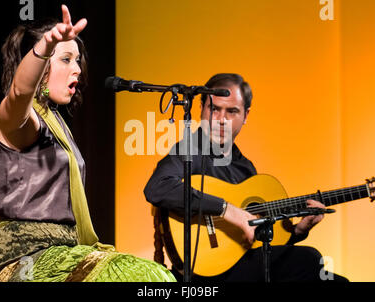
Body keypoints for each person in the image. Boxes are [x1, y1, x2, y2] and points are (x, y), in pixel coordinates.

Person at [0, 5, 175, 282]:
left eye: (78, 60)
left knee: (152, 275)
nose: (77, 69)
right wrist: (46, 45)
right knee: (142, 276)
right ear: (41, 65)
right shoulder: (23, 119)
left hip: (65, 251)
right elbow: (20, 92)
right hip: (23, 258)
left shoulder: (56, 122)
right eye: (66, 59)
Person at [144, 73, 348, 282]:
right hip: (204, 273)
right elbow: (157, 188)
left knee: (337, 281)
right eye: (214, 109)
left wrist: (297, 232)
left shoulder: (245, 167)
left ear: (246, 116)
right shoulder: (189, 150)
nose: (221, 120)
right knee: (309, 258)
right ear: (202, 110)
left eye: (232, 111)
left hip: (239, 267)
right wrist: (228, 210)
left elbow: (256, 244)